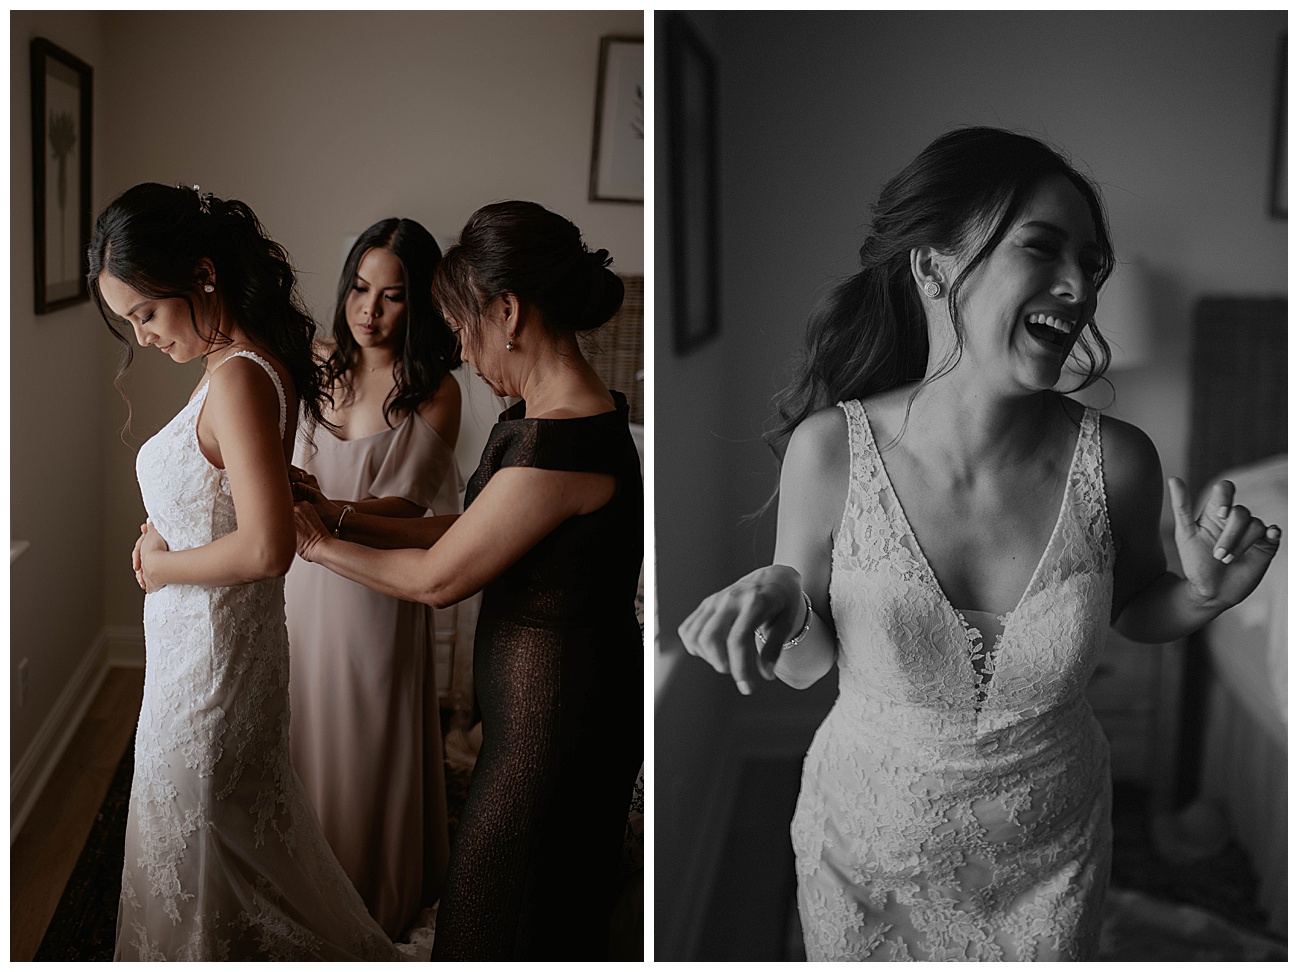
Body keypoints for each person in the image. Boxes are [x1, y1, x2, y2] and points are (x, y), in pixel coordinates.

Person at [677, 128, 1282, 961]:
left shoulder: (1120, 460)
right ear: (932, 268)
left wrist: (1205, 595)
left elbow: (1139, 607)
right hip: (865, 867)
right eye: (1042, 249)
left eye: (1092, 264)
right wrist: (784, 601)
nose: (1078, 287)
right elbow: (807, 664)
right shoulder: (832, 450)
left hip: (1049, 861)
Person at [290, 200, 643, 959]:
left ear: (507, 311)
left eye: (461, 328)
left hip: (554, 736)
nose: (462, 350)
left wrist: (314, 544)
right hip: (535, 718)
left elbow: (436, 580)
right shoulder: (539, 416)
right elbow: (466, 531)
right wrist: (340, 514)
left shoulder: (566, 444)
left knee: (489, 924)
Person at [91, 183, 414, 960]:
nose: (143, 338)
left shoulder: (236, 375)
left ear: (202, 275)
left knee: (205, 867)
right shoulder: (243, 363)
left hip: (207, 675)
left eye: (147, 314)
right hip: (208, 661)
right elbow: (232, 503)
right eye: (130, 322)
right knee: (223, 864)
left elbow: (267, 549)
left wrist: (163, 566)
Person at [284, 218, 460, 938]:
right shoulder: (319, 361)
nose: (369, 310)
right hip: (301, 576)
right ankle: (298, 883)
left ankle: (367, 897)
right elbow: (289, 460)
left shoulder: (435, 389)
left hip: (378, 587)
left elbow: (408, 505)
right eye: (360, 289)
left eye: (391, 297)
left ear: (417, 305)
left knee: (367, 742)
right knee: (301, 724)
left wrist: (327, 516)